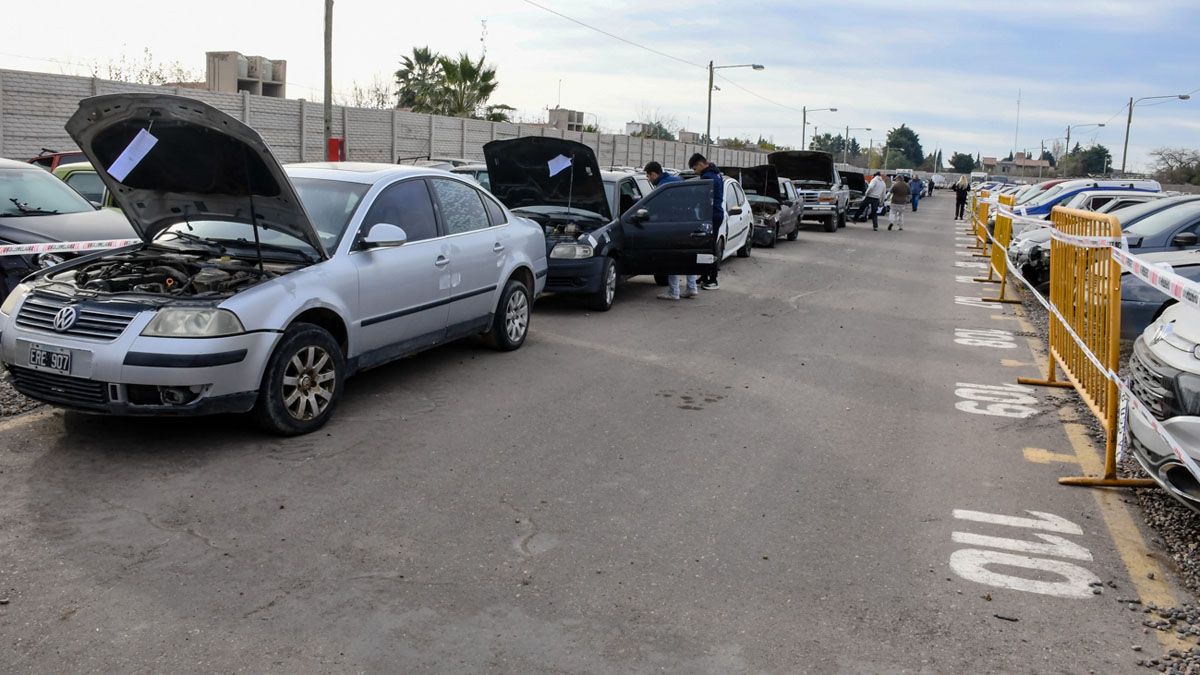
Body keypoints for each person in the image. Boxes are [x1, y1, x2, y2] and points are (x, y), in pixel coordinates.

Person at [645, 162, 695, 301]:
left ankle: (674, 291)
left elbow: (658, 209)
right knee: (687, 256)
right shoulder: (678, 180)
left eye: (648, 176)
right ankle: (691, 287)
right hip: (688, 223)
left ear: (654, 174)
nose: (648, 179)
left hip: (672, 226)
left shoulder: (663, 187)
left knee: (672, 259)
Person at [688, 153, 724, 290]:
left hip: (711, 216)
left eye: (694, 168)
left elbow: (698, 196)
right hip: (714, 214)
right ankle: (704, 275)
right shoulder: (715, 173)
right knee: (705, 246)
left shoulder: (708, 177)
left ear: (700, 164)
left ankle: (713, 279)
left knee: (709, 248)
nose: (694, 171)